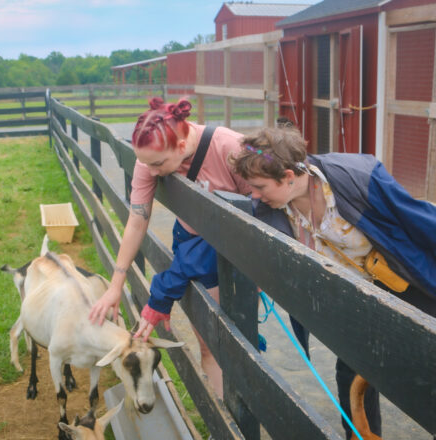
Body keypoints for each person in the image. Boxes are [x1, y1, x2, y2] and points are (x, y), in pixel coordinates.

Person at [229, 125, 436, 439]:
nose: (253, 195)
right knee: (352, 370)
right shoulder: (268, 212)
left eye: (259, 186)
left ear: (288, 176)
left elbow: (418, 220)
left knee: (427, 359)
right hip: (353, 299)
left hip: (402, 281)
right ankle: (361, 436)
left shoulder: (360, 177)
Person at [89, 97, 251, 398]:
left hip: (229, 259)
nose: (150, 172)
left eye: (157, 164)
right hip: (192, 251)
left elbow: (262, 211)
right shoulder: (150, 160)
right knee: (207, 343)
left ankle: (240, 413)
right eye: (145, 163)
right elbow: (137, 220)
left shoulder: (231, 148)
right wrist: (115, 285)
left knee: (231, 342)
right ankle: (224, 418)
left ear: (179, 146)